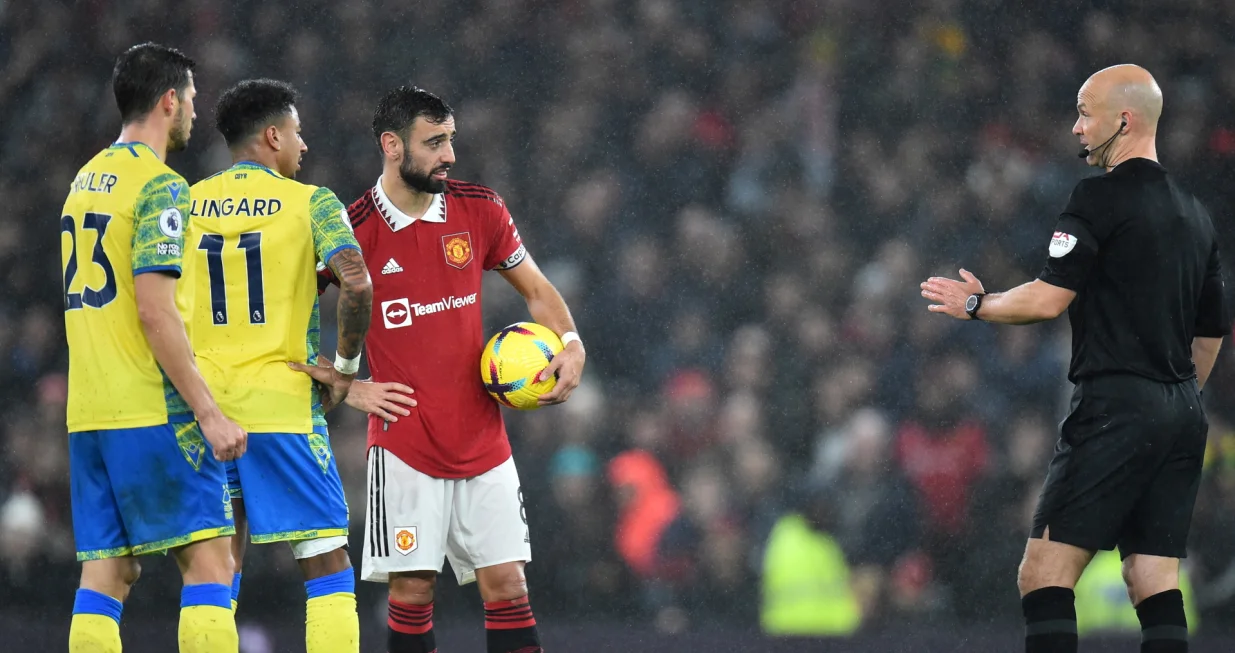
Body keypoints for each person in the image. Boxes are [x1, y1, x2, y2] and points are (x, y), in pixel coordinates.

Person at [920, 64, 1230, 653]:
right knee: (1153, 578)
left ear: (1125, 120)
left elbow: (1048, 299)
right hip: (1182, 412)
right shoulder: (1195, 214)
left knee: (1043, 573)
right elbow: (1212, 334)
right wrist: (1179, 397)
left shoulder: (1097, 197)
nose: (1076, 127)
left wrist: (978, 304)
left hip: (1115, 405)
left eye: (1086, 114)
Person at [303, 85, 586, 653]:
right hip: (405, 441)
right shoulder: (350, 228)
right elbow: (287, 319)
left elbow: (536, 289)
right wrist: (347, 384)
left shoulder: (479, 208)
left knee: (508, 585)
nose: (449, 155)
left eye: (450, 140)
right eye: (434, 142)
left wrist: (572, 344)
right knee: (412, 591)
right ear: (392, 145)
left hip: (483, 436)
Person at [61, 43, 247, 653]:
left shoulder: (84, 180)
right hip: (151, 406)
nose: (194, 109)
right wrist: (208, 411)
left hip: (90, 413)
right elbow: (154, 310)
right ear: (170, 100)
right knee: (211, 562)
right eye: (191, 97)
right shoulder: (162, 187)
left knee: (107, 574)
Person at [189, 79, 372, 653]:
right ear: (272, 135)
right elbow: (357, 283)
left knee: (214, 568)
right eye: (296, 131)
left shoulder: (184, 204)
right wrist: (345, 369)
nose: (303, 144)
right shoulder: (311, 202)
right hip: (283, 407)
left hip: (204, 411)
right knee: (326, 560)